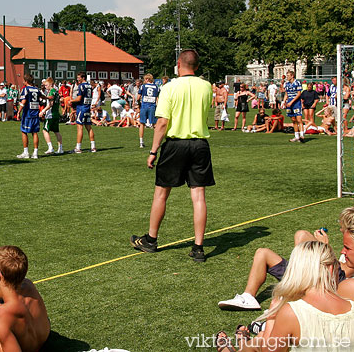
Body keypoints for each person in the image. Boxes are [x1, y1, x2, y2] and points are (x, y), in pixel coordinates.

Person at [130, 50, 214, 262]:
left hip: (176, 144)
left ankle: (150, 240)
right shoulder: (206, 86)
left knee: (161, 193)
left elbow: (163, 123)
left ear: (179, 64)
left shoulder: (169, 87)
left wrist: (152, 151)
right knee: (198, 196)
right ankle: (198, 247)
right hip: (200, 144)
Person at [216, 241, 354, 352]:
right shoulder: (351, 306)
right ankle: (244, 346)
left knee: (264, 337)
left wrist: (271, 316)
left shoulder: (293, 312)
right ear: (330, 269)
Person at [218, 206, 354, 312]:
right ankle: (248, 296)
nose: (340, 227)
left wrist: (325, 247)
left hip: (325, 278)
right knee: (263, 252)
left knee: (301, 237)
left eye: (342, 225)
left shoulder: (350, 257)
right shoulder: (348, 246)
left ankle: (297, 291)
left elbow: (337, 277)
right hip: (307, 273)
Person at [71, 72, 96, 153]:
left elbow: (79, 98)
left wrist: (71, 101)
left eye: (79, 77)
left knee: (79, 127)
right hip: (87, 107)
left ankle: (78, 148)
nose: (78, 79)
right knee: (89, 127)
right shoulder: (89, 86)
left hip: (82, 108)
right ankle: (93, 147)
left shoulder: (81, 86)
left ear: (83, 78)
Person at [17, 74, 41, 159]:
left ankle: (26, 152)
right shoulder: (36, 89)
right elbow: (42, 97)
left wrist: (18, 112)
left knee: (24, 131)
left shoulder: (26, 89)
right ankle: (35, 153)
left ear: (26, 81)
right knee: (35, 133)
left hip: (28, 114)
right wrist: (49, 98)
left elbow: (23, 102)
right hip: (35, 113)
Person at [40, 77, 63, 155]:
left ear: (50, 84)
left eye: (46, 85)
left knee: (45, 130)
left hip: (51, 114)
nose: (45, 87)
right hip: (56, 113)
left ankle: (50, 147)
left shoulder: (52, 91)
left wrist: (43, 111)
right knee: (56, 131)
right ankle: (60, 148)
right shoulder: (56, 91)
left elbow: (51, 103)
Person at [136, 73, 160, 148]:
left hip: (144, 106)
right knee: (154, 125)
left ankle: (141, 142)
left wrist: (138, 104)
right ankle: (157, 142)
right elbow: (157, 98)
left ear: (147, 79)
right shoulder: (156, 87)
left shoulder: (143, 86)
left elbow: (138, 97)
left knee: (142, 123)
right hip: (152, 106)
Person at [282, 70, 304, 143]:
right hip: (289, 103)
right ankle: (296, 136)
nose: (287, 77)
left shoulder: (297, 83)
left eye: (288, 75)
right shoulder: (287, 84)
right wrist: (284, 101)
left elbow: (298, 94)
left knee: (299, 119)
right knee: (293, 120)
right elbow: (286, 94)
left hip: (296, 103)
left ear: (292, 76)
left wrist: (291, 102)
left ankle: (302, 135)